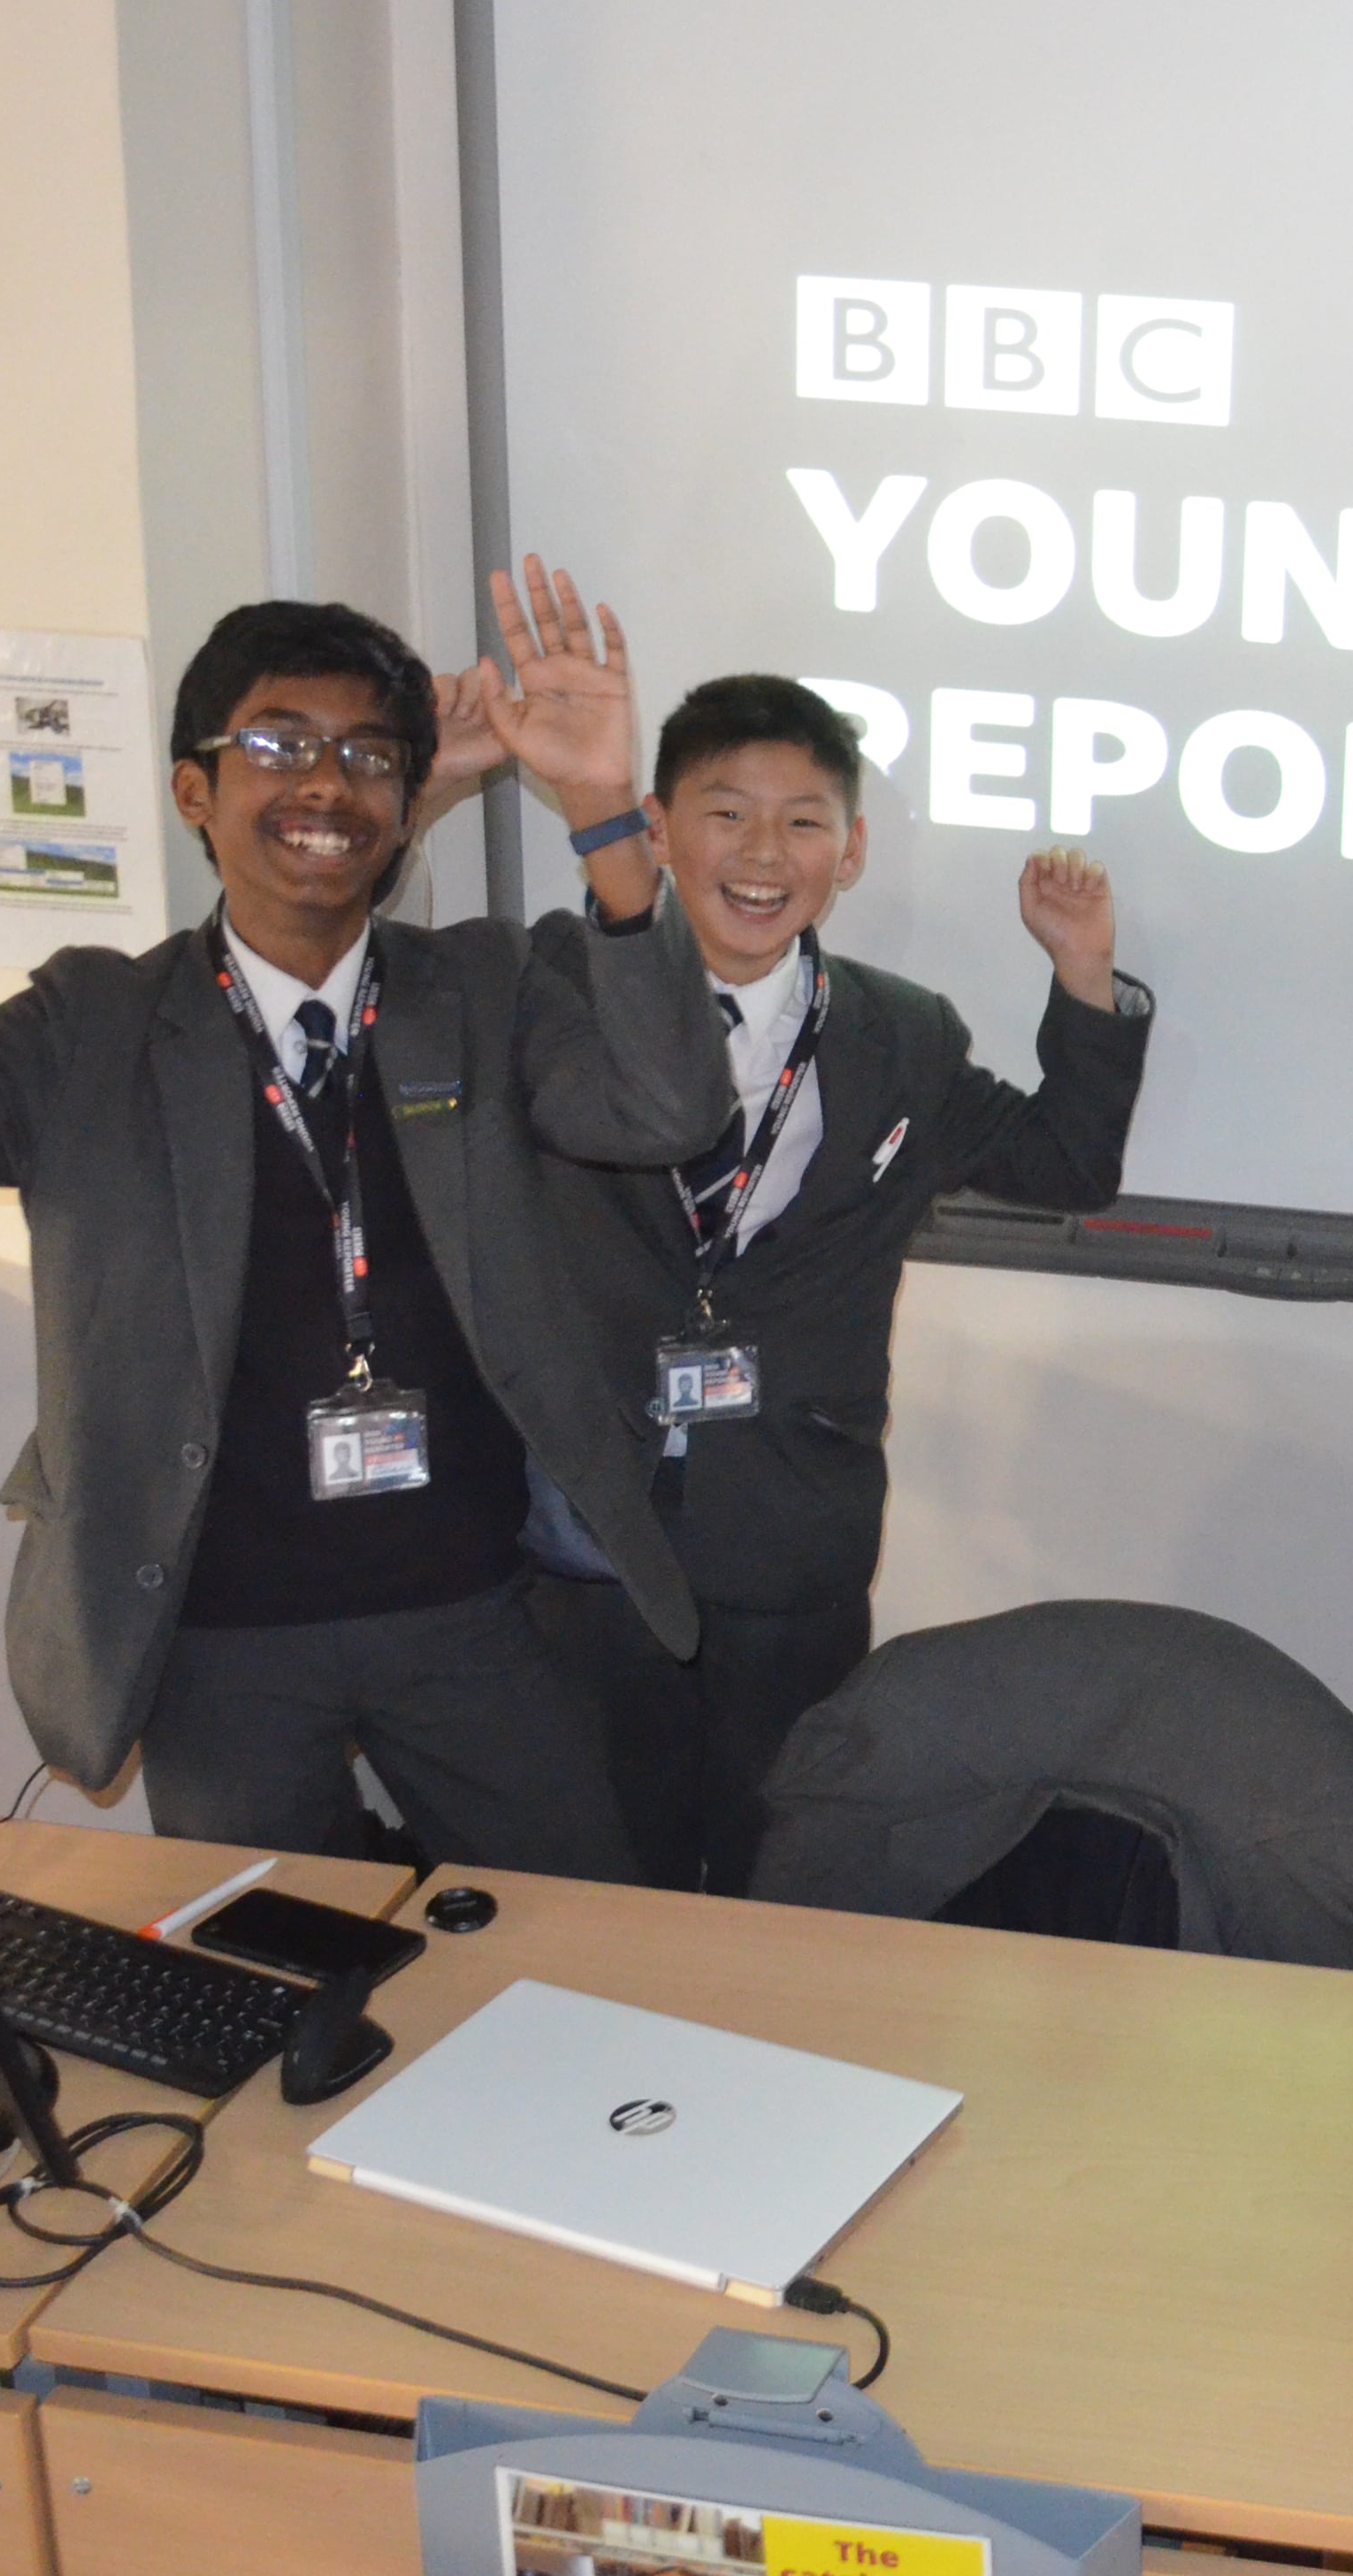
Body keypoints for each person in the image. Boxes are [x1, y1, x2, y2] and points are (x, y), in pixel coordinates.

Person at [0, 567, 730, 1873]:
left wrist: (600, 809)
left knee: (576, 1933)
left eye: (368, 756)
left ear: (403, 806)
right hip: (214, 1632)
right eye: (278, 746)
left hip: (470, 1608)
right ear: (195, 792)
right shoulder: (90, 1028)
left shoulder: (479, 987)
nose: (327, 785)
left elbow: (668, 1108)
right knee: (275, 1967)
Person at [527, 663, 1153, 1896]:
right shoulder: (556, 987)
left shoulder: (900, 1034)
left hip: (792, 1532)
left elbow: (1066, 1164)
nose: (765, 853)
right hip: (590, 1526)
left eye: (804, 821)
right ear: (656, 827)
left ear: (850, 851)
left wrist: (1084, 976)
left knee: (783, 1862)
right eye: (727, 812)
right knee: (599, 1868)